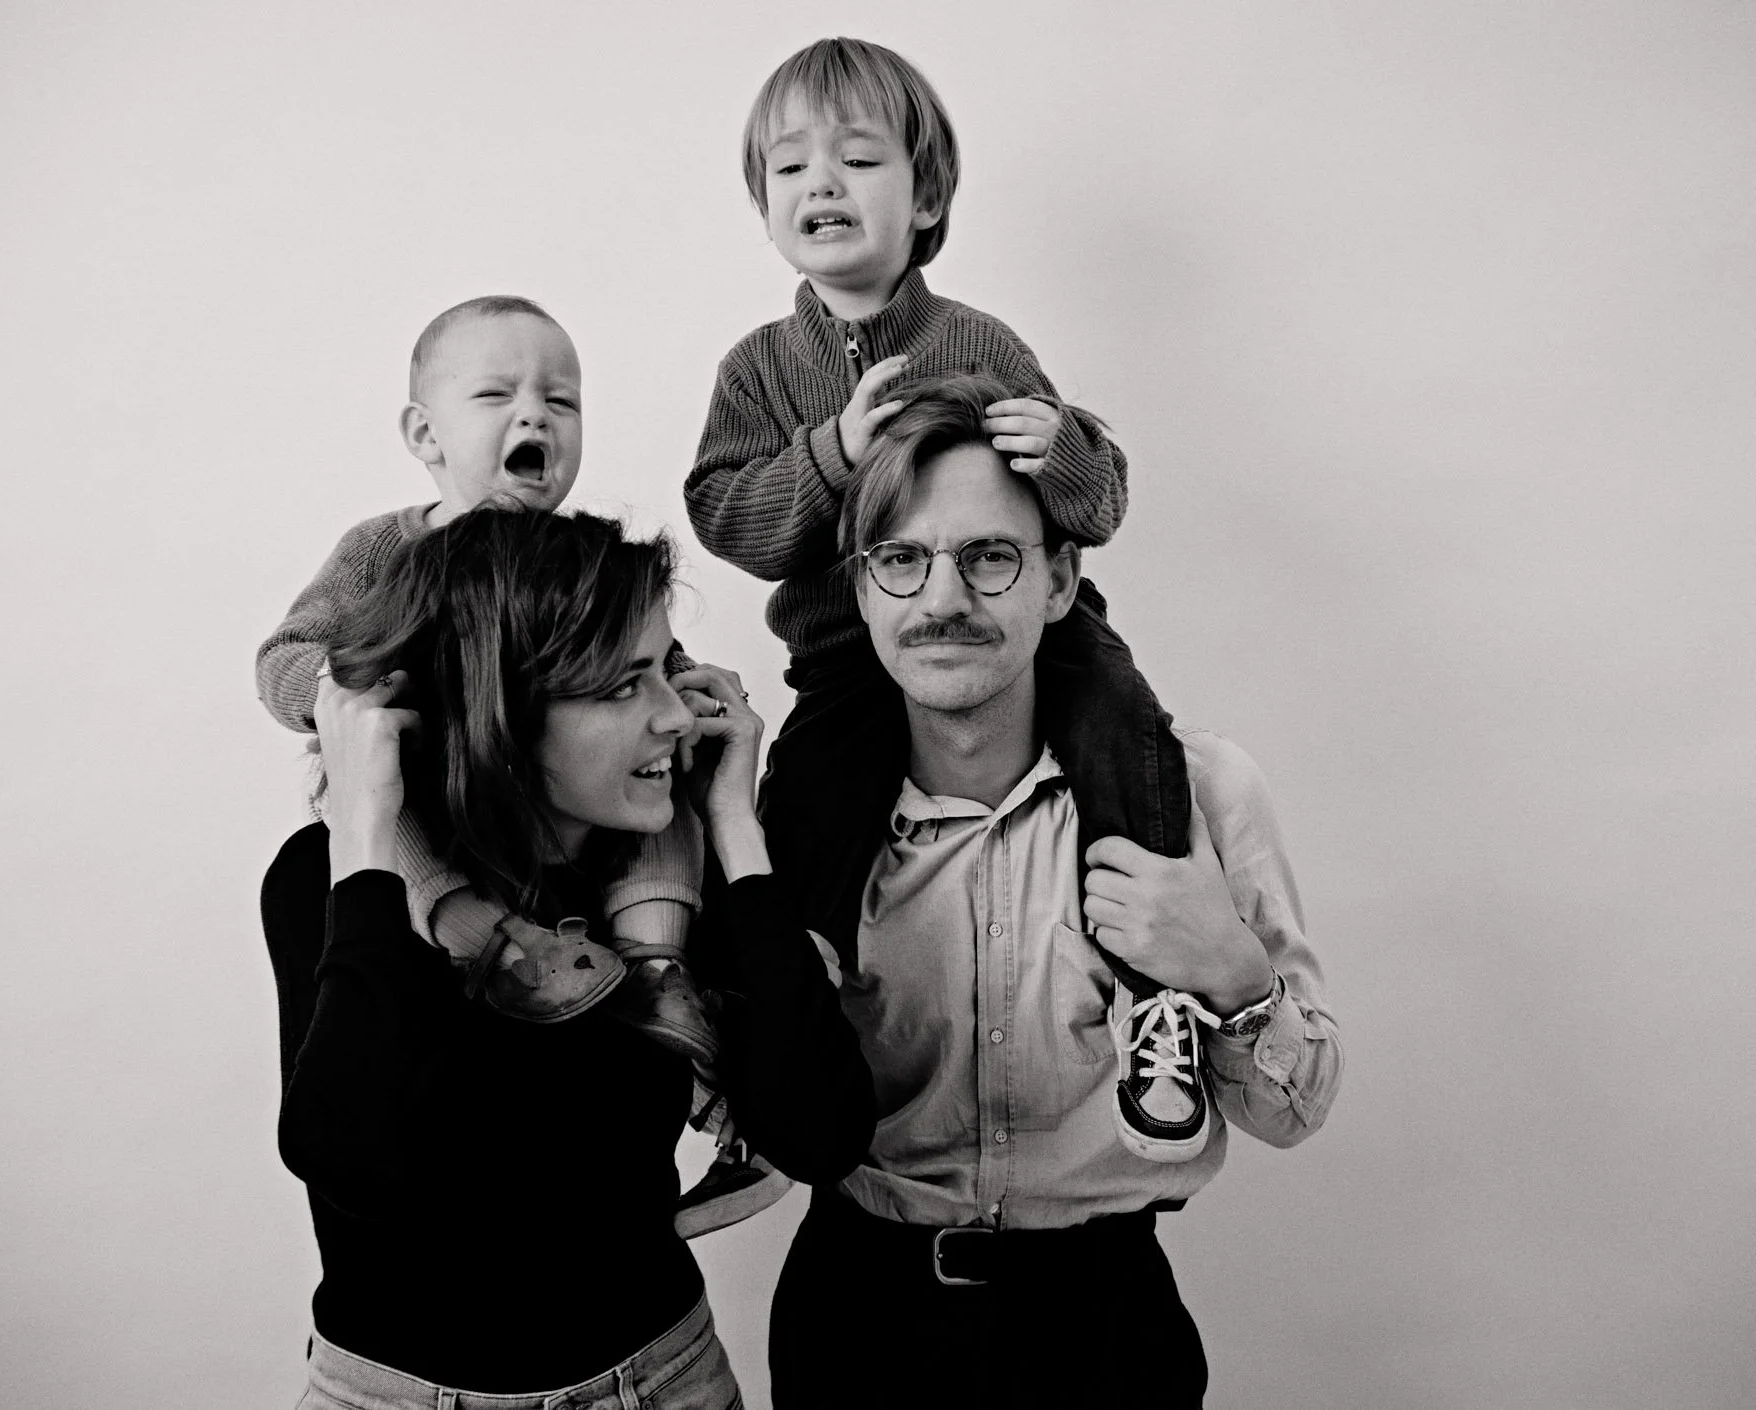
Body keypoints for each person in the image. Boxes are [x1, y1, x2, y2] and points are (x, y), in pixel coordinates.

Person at [684, 36, 1216, 1164]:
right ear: (763, 204)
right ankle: (784, 1040)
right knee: (807, 814)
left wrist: (1062, 450)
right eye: (790, 169)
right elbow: (726, 517)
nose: (821, 185)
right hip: (845, 653)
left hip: (1026, 640)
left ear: (925, 197)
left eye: (859, 160)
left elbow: (1098, 504)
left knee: (1128, 728)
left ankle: (1150, 993)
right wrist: (829, 455)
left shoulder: (980, 342)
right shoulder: (760, 370)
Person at [764, 377, 1344, 1408]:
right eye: (902, 560)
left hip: (1103, 1331)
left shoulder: (1196, 799)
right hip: (860, 1323)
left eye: (989, 557)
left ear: (1061, 581)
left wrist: (1229, 971)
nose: (944, 601)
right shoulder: (804, 835)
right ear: (861, 590)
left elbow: (1296, 1113)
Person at [262, 508, 874, 1408]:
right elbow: (351, 1162)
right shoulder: (338, 880)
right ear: (500, 712)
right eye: (622, 687)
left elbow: (820, 1136)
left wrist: (739, 831)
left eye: (665, 669)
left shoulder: (673, 870)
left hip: (662, 1384)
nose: (675, 715)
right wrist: (363, 837)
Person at [257, 296, 776, 1231]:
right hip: (415, 779)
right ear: (423, 433)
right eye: (496, 394)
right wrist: (355, 705)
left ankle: (660, 976)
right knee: (377, 814)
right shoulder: (386, 549)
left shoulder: (573, 563)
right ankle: (486, 936)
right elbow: (283, 656)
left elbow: (636, 674)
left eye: (561, 401)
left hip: (650, 1337)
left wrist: (678, 696)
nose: (534, 416)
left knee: (670, 802)